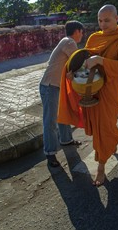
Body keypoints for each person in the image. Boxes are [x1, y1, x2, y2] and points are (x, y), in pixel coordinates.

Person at [58, 4, 118, 186]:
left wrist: (101, 60)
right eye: (100, 20)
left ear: (117, 19)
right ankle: (113, 138)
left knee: (104, 128)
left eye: (107, 20)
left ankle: (101, 169)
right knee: (100, 128)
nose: (103, 24)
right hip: (92, 90)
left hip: (110, 90)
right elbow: (85, 63)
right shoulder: (94, 38)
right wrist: (72, 73)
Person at [39, 20, 84, 167]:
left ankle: (66, 140)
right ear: (77, 31)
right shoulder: (69, 42)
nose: (82, 35)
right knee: (50, 121)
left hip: (56, 85)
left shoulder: (66, 41)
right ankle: (50, 153)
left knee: (63, 113)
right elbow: (79, 63)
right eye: (81, 32)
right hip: (50, 86)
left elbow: (71, 67)